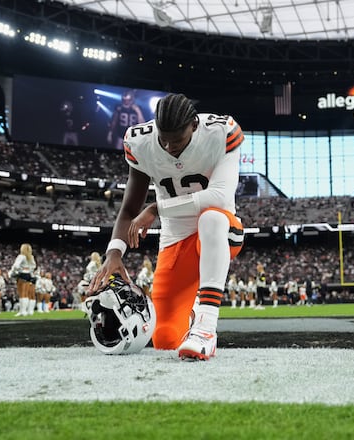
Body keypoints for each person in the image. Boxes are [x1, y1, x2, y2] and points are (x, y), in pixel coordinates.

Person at [89, 93, 244, 361]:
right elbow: (128, 210)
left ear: (194, 126)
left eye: (178, 140)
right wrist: (114, 253)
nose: (170, 147)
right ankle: (192, 319)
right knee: (165, 339)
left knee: (211, 218)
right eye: (164, 139)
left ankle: (206, 325)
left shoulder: (220, 131)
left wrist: (157, 208)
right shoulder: (141, 142)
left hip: (222, 230)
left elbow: (219, 196)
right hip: (176, 239)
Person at [9, 243, 37, 316]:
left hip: (22, 275)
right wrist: (28, 269)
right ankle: (26, 311)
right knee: (26, 294)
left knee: (21, 294)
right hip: (28, 275)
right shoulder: (31, 257)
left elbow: (16, 265)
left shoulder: (21, 256)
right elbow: (34, 266)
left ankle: (22, 311)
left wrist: (17, 270)